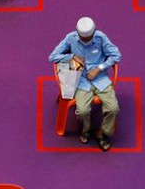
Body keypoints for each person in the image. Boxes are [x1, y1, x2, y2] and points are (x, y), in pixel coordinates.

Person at [48, 17, 121, 151]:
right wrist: (71, 56)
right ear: (77, 32)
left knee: (113, 108)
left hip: (101, 79)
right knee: (82, 111)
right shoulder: (70, 38)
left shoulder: (101, 38)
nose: (85, 41)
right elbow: (53, 56)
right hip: (80, 81)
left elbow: (116, 55)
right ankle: (86, 130)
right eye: (83, 38)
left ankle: (103, 133)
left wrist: (99, 68)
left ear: (94, 33)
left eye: (88, 38)